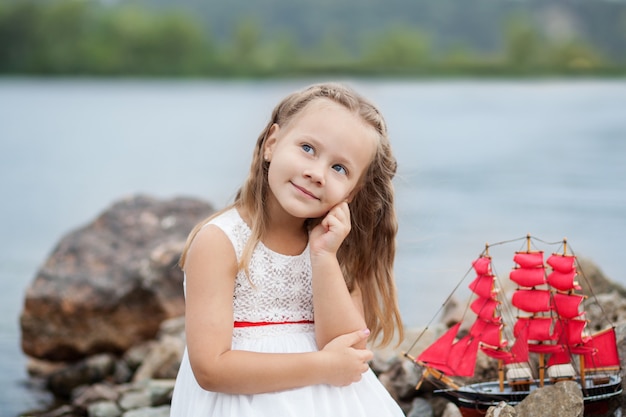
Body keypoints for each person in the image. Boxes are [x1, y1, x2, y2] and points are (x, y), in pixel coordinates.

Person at [170, 82, 405, 416]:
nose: (316, 173)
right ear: (272, 143)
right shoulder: (220, 242)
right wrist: (323, 366)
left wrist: (323, 257)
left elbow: (351, 349)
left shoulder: (335, 246)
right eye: (308, 148)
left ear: (352, 192)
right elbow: (211, 369)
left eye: (339, 168)